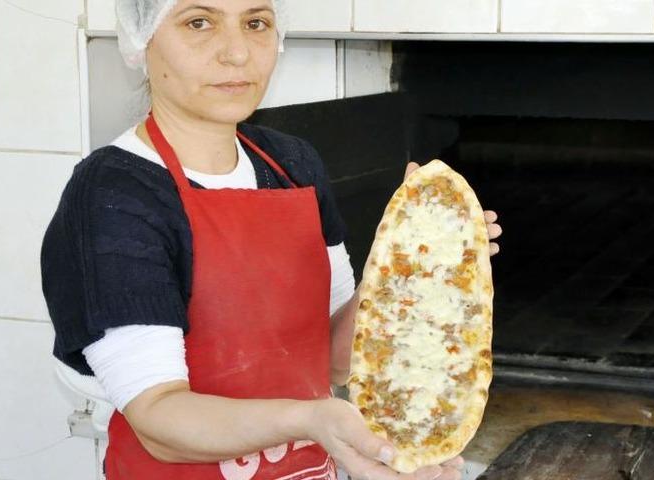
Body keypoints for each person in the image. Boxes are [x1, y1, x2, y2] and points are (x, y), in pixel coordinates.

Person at [40, 1, 503, 479]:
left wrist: (406, 275)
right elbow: (159, 419)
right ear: (143, 40)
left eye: (256, 23)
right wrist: (311, 420)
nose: (238, 52)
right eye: (199, 22)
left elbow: (336, 362)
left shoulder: (292, 164)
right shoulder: (116, 192)